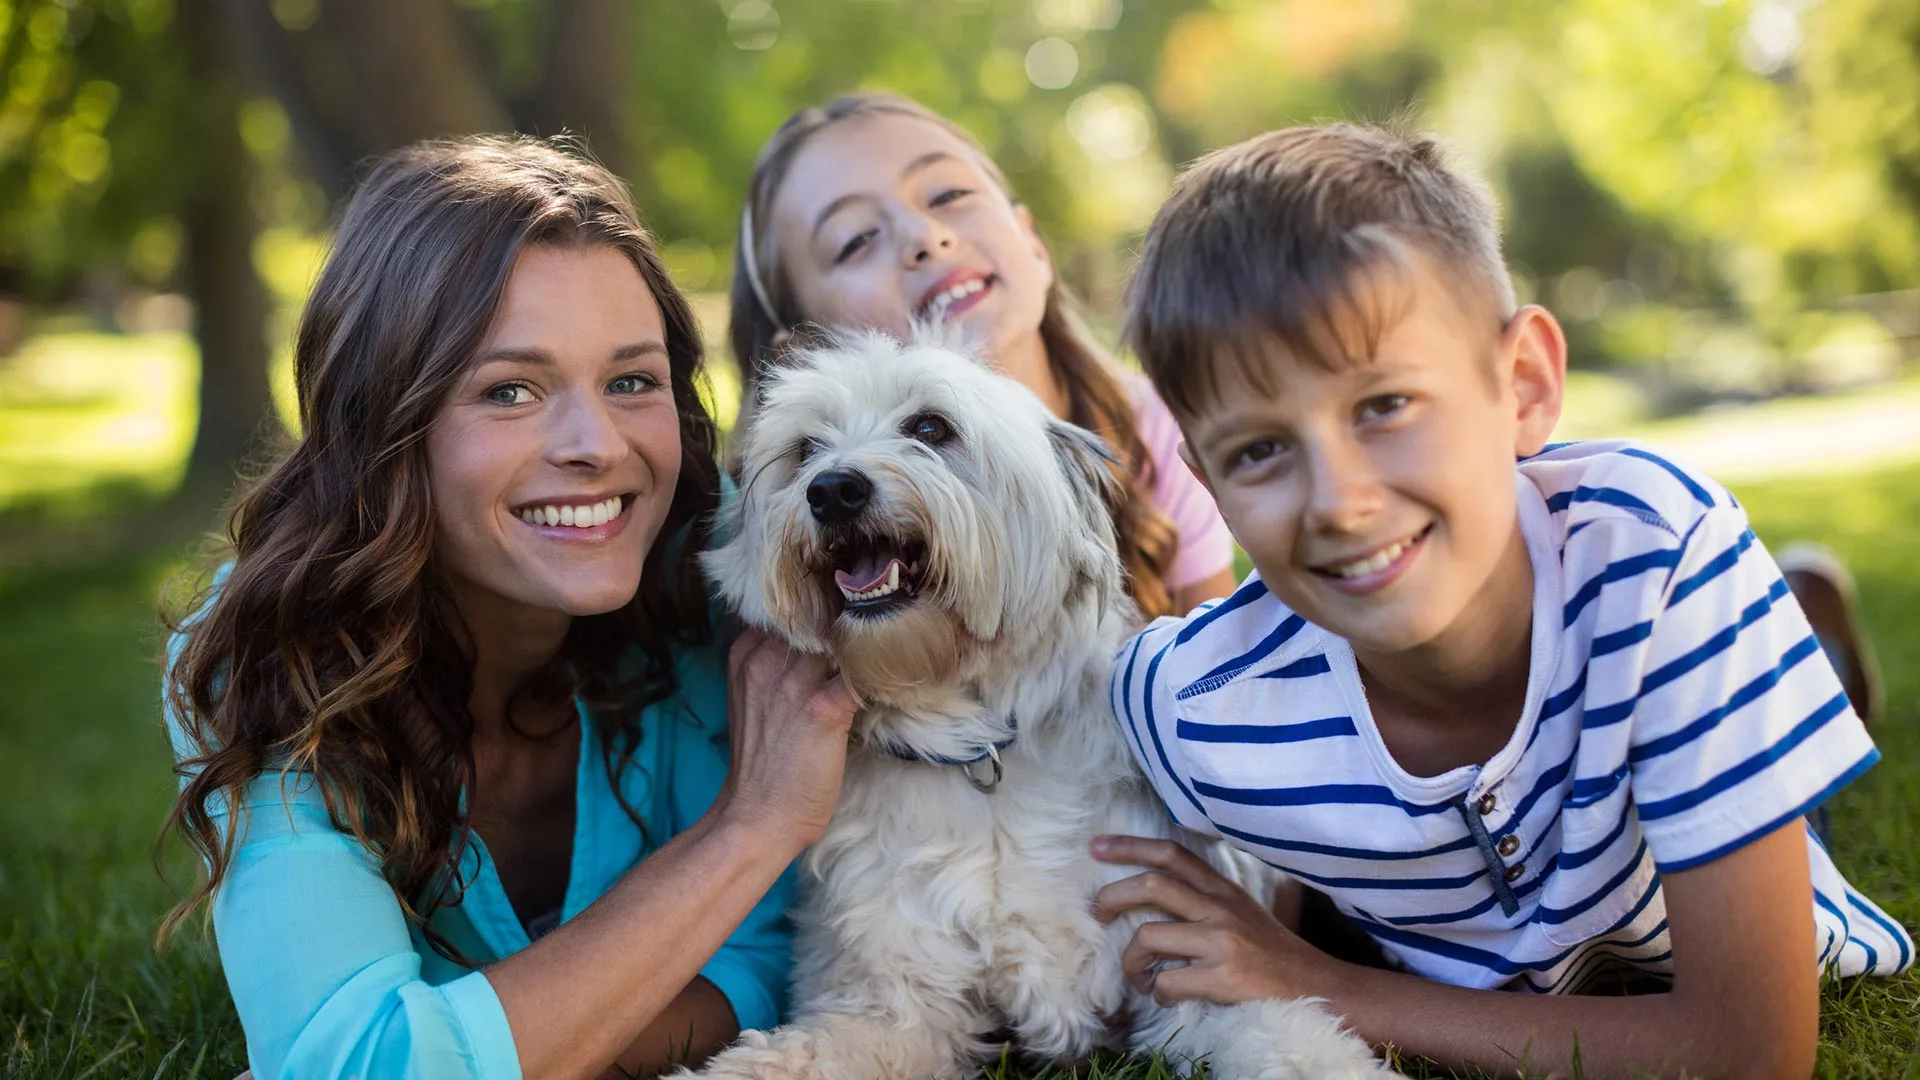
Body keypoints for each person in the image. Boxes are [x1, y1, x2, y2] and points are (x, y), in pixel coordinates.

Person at [1091, 122, 1912, 1078]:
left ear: (1522, 385)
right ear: (1206, 483)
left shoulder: (1655, 556)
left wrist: (1322, 983)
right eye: (1260, 451)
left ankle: (1810, 640)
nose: (1341, 503)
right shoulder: (1189, 707)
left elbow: (1748, 1052)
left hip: (1660, 735)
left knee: (1763, 793)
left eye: (1384, 405)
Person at [160, 135, 858, 1080]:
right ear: (384, 426)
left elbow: (779, 963)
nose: (596, 444)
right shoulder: (267, 653)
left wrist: (505, 1044)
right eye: (510, 390)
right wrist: (751, 825)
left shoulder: (742, 571)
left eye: (631, 381)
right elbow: (359, 1064)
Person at [730, 91, 1236, 620]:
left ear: (1034, 245)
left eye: (947, 194)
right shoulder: (791, 540)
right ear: (809, 354)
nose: (925, 237)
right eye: (856, 240)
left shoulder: (1155, 429)